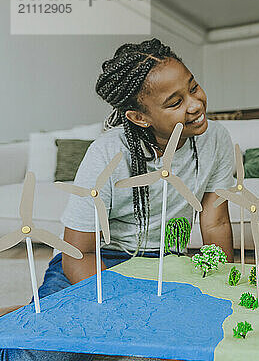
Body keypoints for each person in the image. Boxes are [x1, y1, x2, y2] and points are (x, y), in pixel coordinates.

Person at [1, 38, 235, 361]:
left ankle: (22, 314)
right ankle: (21, 322)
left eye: (194, 87)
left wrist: (220, 286)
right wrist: (123, 303)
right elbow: (76, 255)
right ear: (140, 118)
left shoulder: (216, 140)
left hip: (166, 265)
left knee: (200, 342)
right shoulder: (108, 153)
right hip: (96, 263)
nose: (195, 104)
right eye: (175, 102)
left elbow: (215, 220)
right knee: (41, 353)